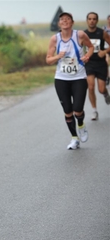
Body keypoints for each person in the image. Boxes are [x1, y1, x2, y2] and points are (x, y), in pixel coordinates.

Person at [46, 12, 94, 150]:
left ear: (72, 22)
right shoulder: (55, 39)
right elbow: (48, 59)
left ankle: (81, 125)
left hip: (79, 77)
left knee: (77, 109)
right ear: (59, 23)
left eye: (68, 19)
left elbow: (90, 47)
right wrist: (57, 57)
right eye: (62, 19)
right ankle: (74, 138)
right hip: (61, 79)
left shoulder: (79, 35)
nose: (65, 21)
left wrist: (87, 56)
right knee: (67, 111)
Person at [84, 12, 110, 121]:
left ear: (97, 20)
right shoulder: (83, 34)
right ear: (87, 20)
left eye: (94, 19)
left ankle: (105, 94)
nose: (92, 21)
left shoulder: (102, 33)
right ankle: (94, 110)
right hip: (89, 63)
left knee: (101, 89)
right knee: (90, 86)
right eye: (90, 19)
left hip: (100, 64)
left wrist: (104, 52)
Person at [103, 15, 110, 85]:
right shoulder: (104, 28)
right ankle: (107, 76)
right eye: (109, 19)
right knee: (106, 61)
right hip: (106, 47)